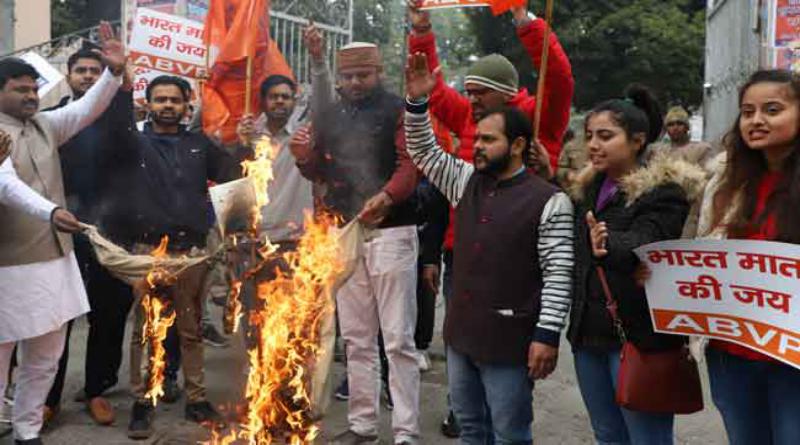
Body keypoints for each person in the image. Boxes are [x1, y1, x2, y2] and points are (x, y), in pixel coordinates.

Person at [406, 3, 574, 432]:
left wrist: (522, 18)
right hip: (462, 256)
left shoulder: (539, 118)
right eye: (470, 92)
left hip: (519, 266)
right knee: (468, 399)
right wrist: (421, 30)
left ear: (517, 143)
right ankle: (461, 407)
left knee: (508, 417)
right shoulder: (467, 128)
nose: (471, 102)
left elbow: (557, 75)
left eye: (481, 93)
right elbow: (428, 111)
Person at [292, 27, 419, 445]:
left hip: (392, 232)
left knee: (398, 339)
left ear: (379, 71)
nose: (353, 83)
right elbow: (318, 170)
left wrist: (386, 196)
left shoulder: (398, 108)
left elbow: (409, 165)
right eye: (347, 77)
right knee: (357, 339)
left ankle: (405, 433)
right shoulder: (330, 112)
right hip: (343, 232)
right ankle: (364, 426)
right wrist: (302, 157)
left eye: (362, 75)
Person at [0, 24, 126, 444]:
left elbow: (87, 109)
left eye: (33, 88)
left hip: (54, 259)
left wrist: (113, 74)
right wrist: (53, 211)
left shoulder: (44, 126)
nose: (31, 96)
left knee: (46, 356)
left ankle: (27, 430)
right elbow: (5, 184)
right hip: (8, 262)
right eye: (20, 89)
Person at [567, 86, 706, 445]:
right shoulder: (584, 191)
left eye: (606, 136)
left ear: (637, 141)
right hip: (588, 335)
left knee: (647, 439)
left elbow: (644, 243)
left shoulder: (664, 191)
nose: (594, 145)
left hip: (642, 337)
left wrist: (607, 243)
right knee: (607, 434)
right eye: (590, 136)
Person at [114, 75, 243, 440]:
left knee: (191, 329)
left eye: (174, 100)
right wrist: (122, 86)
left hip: (192, 253)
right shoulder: (134, 144)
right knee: (146, 331)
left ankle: (197, 399)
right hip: (148, 252)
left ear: (188, 105)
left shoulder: (200, 144)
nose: (167, 106)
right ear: (149, 103)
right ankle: (142, 401)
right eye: (160, 99)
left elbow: (233, 176)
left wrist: (242, 142)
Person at [26, 47, 137, 427]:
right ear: (69, 76)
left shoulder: (121, 119)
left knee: (109, 312)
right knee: (57, 317)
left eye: (96, 70)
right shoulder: (47, 121)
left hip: (111, 231)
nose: (89, 76)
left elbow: (132, 157)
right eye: (82, 70)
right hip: (59, 229)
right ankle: (48, 399)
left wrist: (123, 88)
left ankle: (96, 390)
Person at [691, 69, 800, 444]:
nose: (756, 120)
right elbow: (701, 254)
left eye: (772, 109)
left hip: (792, 360)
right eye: (747, 111)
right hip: (730, 354)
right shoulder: (724, 180)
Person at [646, 106, 715, 170]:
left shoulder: (701, 149)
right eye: (671, 124)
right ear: (666, 129)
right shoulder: (658, 151)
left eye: (679, 123)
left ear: (687, 127)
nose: (675, 128)